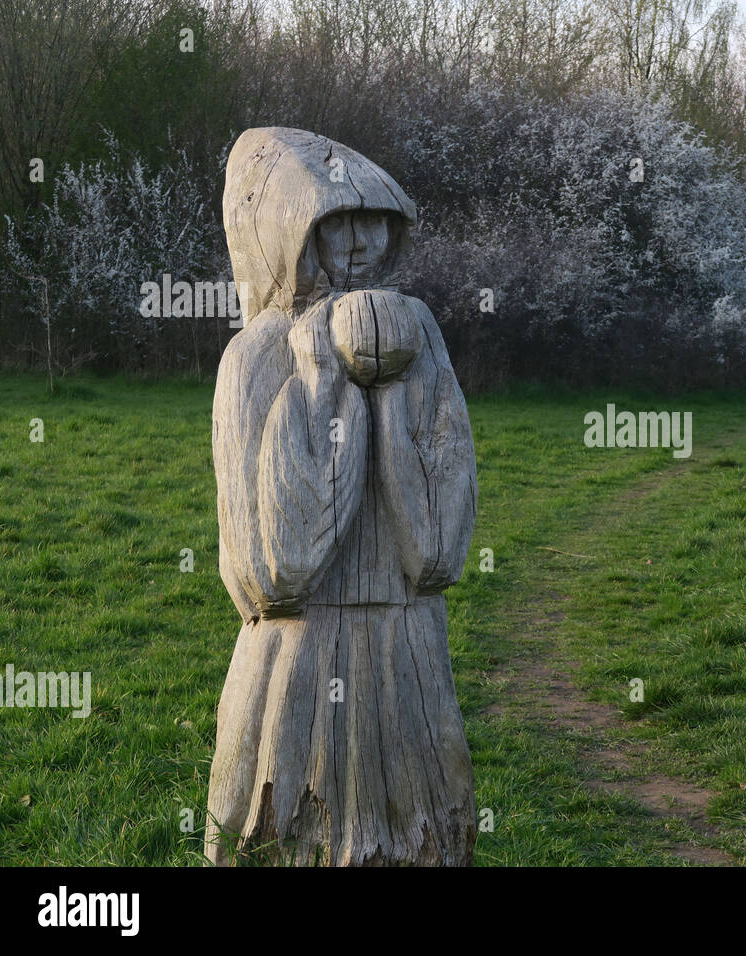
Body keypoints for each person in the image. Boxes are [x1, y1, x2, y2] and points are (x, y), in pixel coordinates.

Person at [206, 127, 477, 866]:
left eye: (374, 223)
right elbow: (275, 569)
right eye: (334, 223)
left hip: (408, 649)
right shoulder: (256, 355)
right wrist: (324, 374)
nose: (357, 243)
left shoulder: (418, 339)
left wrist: (394, 386)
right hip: (298, 653)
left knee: (422, 836)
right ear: (285, 231)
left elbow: (440, 551)